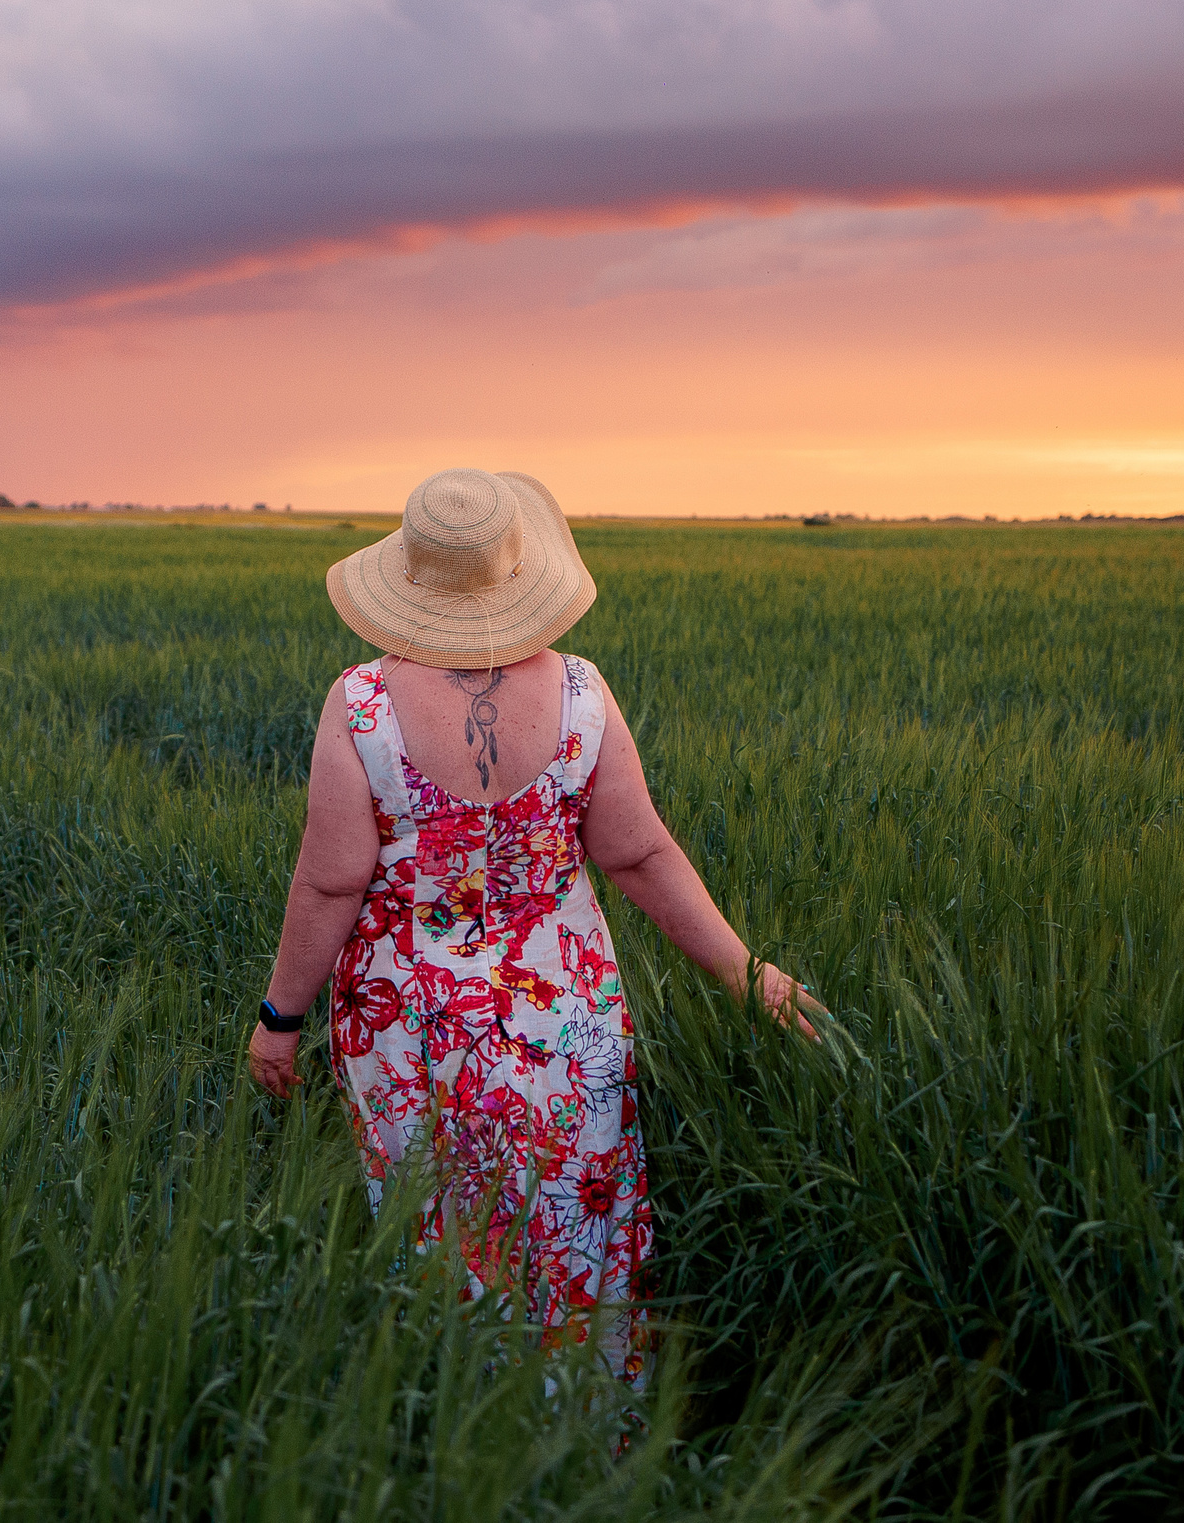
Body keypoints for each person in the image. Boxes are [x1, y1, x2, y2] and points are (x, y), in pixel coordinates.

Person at [246, 467, 823, 1385]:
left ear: (409, 577)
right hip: (566, 1030)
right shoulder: (583, 695)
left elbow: (328, 885)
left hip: (415, 1035)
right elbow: (641, 858)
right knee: (575, 1239)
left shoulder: (361, 705)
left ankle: (461, 1436)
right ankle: (595, 1437)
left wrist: (279, 1021)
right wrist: (749, 971)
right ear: (520, 574)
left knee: (440, 1242)